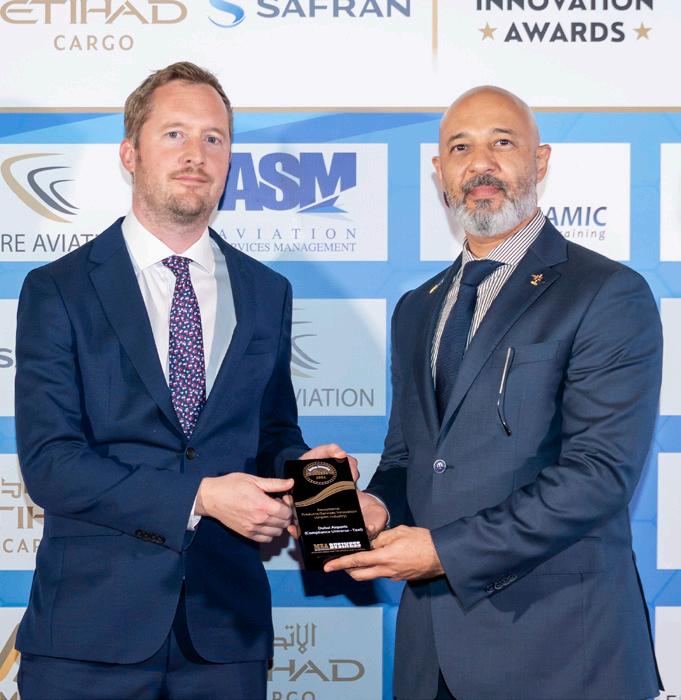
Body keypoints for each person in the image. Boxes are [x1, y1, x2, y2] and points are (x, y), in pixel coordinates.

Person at [14, 61, 352, 700]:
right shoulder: (58, 290)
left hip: (225, 639)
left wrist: (313, 480)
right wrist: (200, 496)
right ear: (129, 153)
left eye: (213, 138)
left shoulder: (266, 291)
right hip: (88, 638)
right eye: (174, 134)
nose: (196, 153)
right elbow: (52, 465)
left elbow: (271, 435)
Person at [326, 86, 664, 700]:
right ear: (440, 172)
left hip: (562, 655)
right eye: (461, 148)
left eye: (502, 143)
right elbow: (410, 459)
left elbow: (598, 475)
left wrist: (443, 551)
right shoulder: (417, 308)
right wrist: (376, 506)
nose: (480, 163)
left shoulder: (606, 292)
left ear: (540, 160)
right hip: (432, 660)